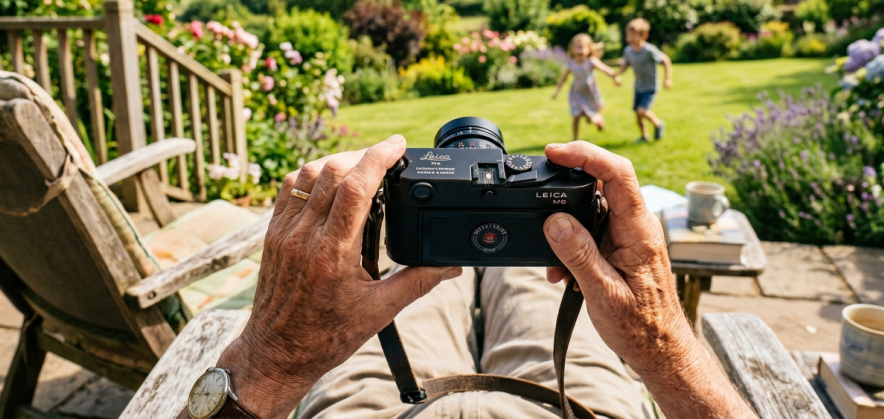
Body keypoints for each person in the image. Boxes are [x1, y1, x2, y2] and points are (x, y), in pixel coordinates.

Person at [177, 136, 758, 419]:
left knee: (424, 278)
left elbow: (284, 356)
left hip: (378, 412)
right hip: (567, 410)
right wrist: (661, 345)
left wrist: (276, 354)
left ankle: (467, 240)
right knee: (531, 275)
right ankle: (498, 240)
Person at [552, 33, 621, 141]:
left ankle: (598, 119)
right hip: (576, 93)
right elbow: (563, 79)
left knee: (590, 117)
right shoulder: (571, 64)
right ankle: (574, 140)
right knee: (576, 116)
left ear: (589, 49)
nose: (580, 51)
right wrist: (556, 92)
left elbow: (605, 69)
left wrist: (615, 77)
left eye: (583, 47)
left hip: (589, 92)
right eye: (578, 47)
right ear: (572, 49)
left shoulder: (591, 61)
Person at [617, 18, 673, 143]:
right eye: (627, 35)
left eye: (632, 35)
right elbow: (625, 65)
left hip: (650, 86)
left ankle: (658, 124)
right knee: (638, 115)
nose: (629, 38)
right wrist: (617, 75)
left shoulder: (649, 50)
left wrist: (667, 79)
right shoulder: (628, 51)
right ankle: (644, 136)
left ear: (644, 35)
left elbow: (666, 60)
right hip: (638, 86)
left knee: (642, 111)